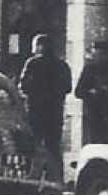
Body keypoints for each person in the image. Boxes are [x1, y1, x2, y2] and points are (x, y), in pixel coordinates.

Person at [18, 33, 72, 177]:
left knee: (33, 146)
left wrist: (35, 92)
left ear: (39, 46)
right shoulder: (62, 65)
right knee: (53, 146)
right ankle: (57, 177)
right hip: (54, 112)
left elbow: (22, 85)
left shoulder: (32, 63)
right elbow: (67, 87)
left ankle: (31, 176)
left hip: (35, 112)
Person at [74, 40, 108, 145]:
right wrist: (92, 92)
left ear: (106, 54)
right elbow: (78, 92)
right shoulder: (89, 69)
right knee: (95, 142)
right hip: (94, 114)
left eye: (101, 53)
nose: (99, 56)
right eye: (96, 53)